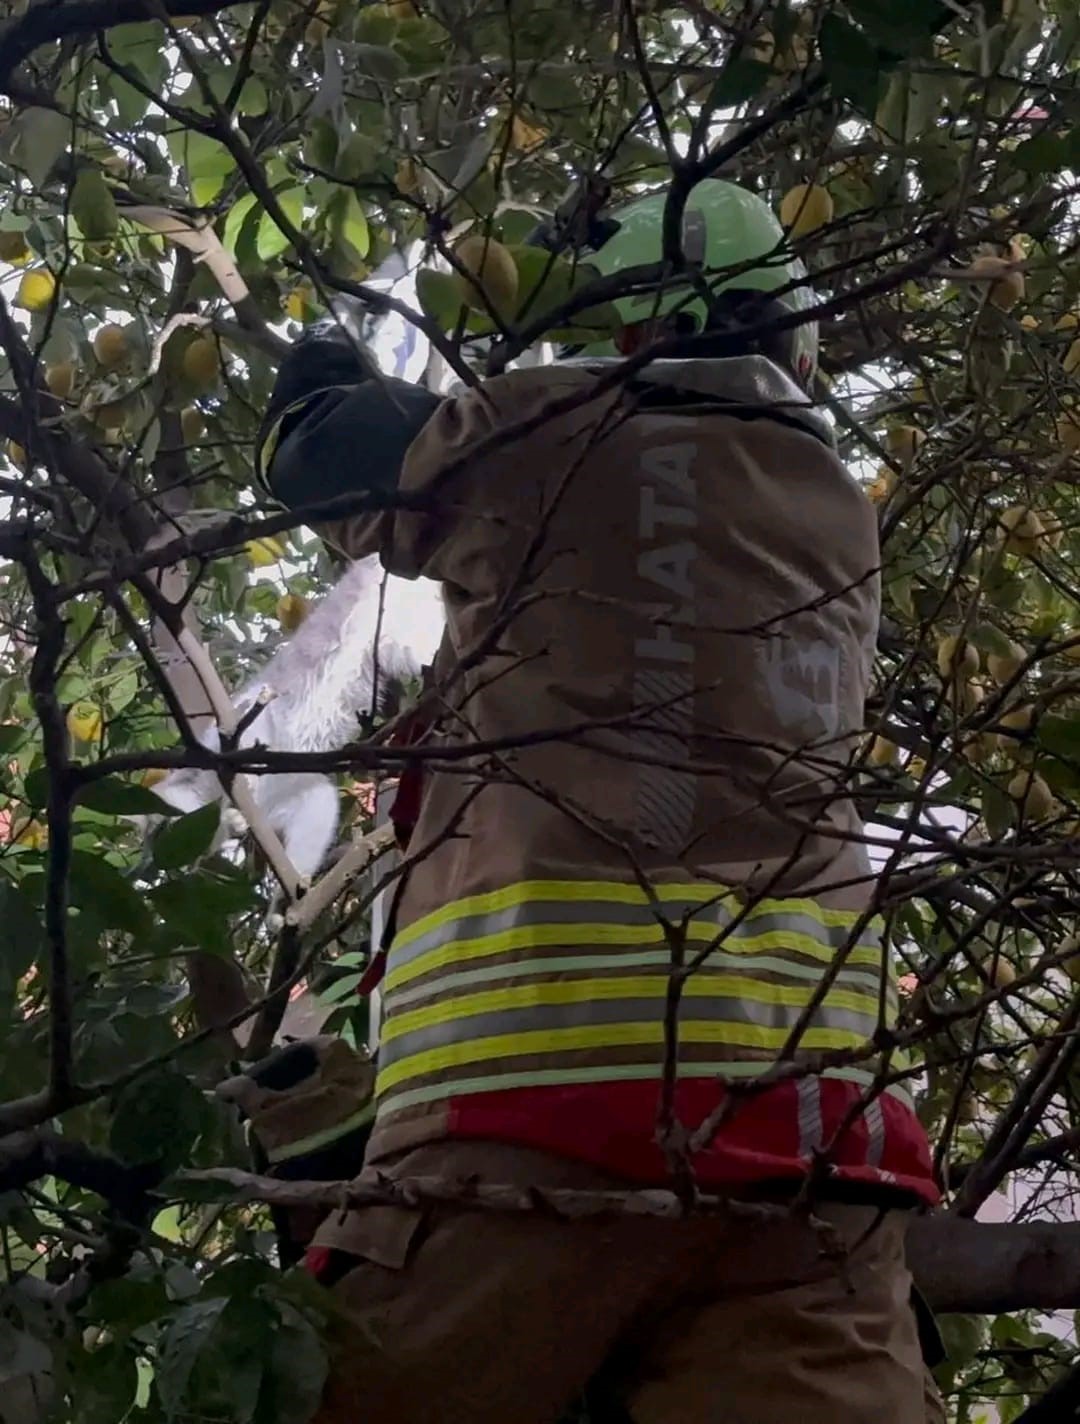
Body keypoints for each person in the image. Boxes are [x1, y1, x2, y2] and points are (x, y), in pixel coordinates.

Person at [251, 179, 941, 1424]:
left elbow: (325, 459)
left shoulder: (553, 433)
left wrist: (316, 368)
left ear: (626, 332)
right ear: (791, 335)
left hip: (539, 1117)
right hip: (818, 1141)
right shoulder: (837, 510)